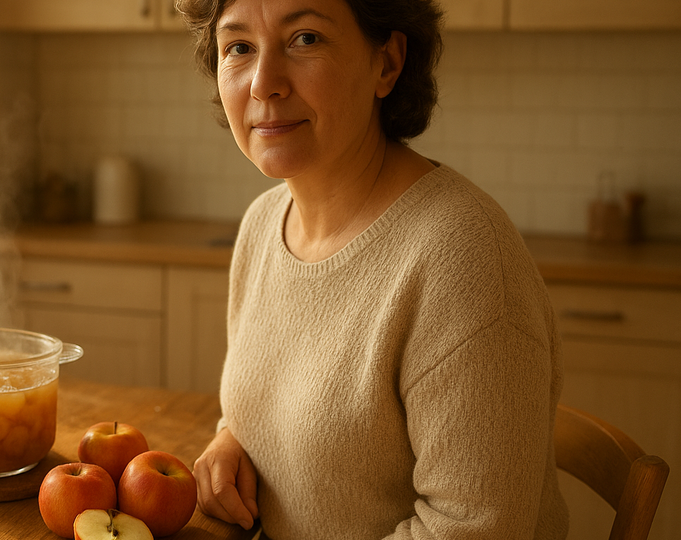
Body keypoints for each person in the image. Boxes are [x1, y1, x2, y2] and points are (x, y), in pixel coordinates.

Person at [176, 0, 569, 538]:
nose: (263, 83)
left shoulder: (463, 259)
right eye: (238, 47)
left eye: (306, 38)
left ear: (386, 63)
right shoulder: (263, 225)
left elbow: (474, 527)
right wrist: (233, 441)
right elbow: (275, 405)